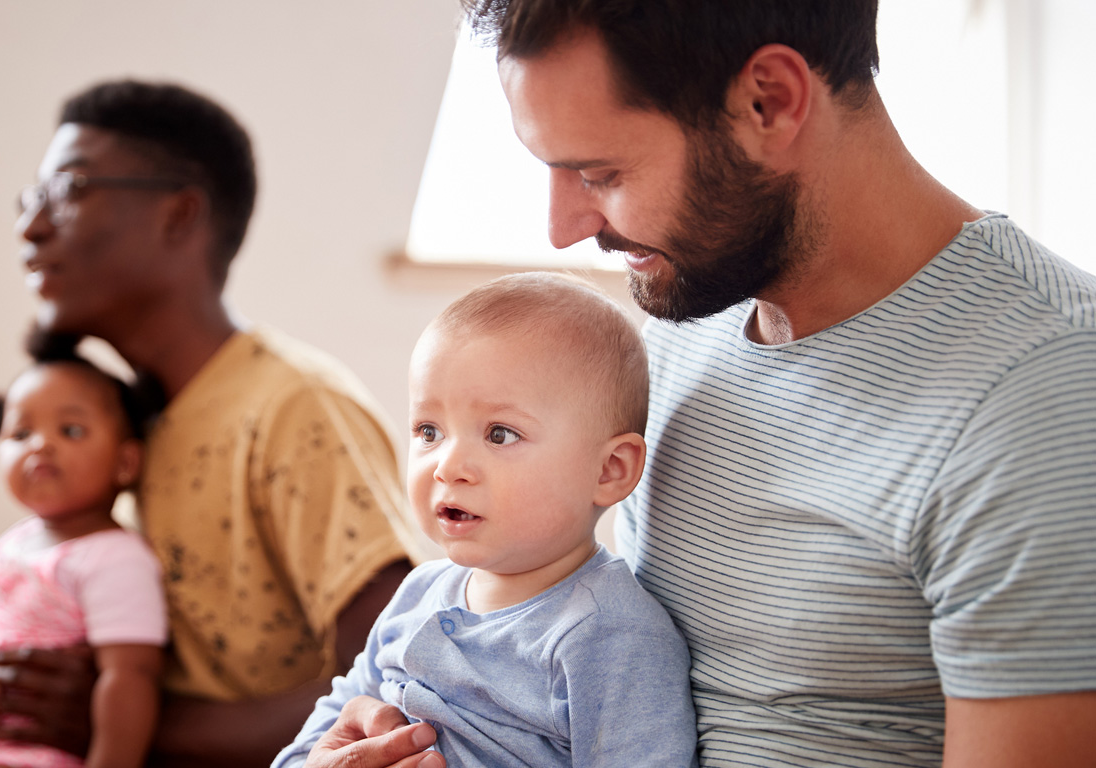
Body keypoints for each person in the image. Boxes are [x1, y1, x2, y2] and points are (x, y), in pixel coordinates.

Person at [301, 1, 1096, 767]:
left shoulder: (1044, 397)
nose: (563, 227)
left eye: (600, 171)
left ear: (769, 101)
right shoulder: (692, 324)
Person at [0, 79, 423, 768]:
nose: (31, 228)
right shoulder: (131, 420)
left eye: (69, 188)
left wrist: (119, 721)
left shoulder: (293, 408)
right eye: (30, 201)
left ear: (179, 215)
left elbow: (397, 680)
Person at [272, 273, 697, 767]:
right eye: (429, 430)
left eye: (499, 434)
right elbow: (325, 731)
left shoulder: (611, 636)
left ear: (609, 470)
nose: (447, 465)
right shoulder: (417, 592)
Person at [0, 331, 167, 768]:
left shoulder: (114, 558)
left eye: (71, 430)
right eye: (20, 432)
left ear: (125, 462)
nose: (39, 444)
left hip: (28, 753)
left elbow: (130, 679)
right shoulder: (17, 540)